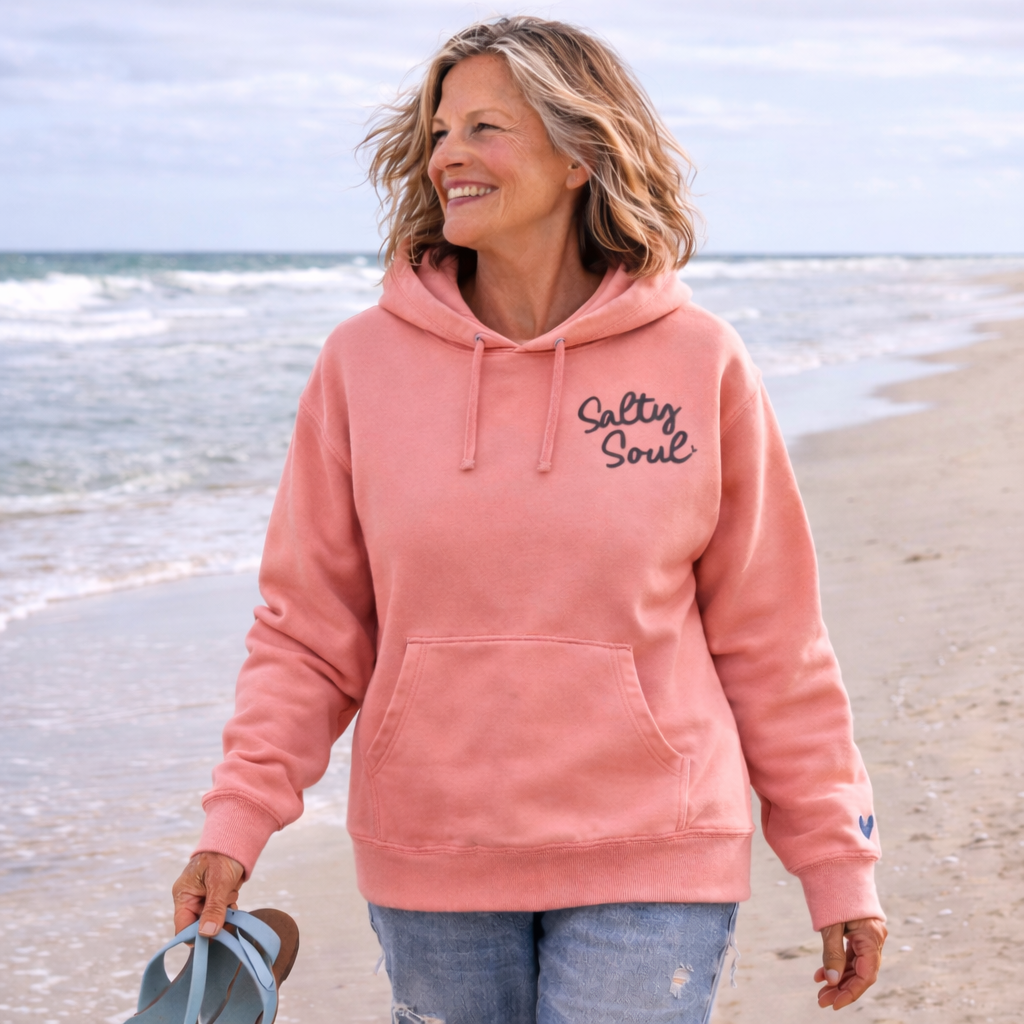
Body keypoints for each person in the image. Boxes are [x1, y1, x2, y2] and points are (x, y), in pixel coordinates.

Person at [171, 16, 886, 1022]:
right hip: (433, 852)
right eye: (439, 131)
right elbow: (311, 629)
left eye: (485, 128)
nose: (447, 155)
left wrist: (835, 861)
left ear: (581, 153)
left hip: (655, 849)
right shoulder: (360, 367)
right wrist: (235, 819)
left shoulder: (700, 361)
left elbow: (773, 640)